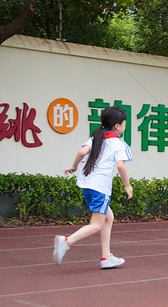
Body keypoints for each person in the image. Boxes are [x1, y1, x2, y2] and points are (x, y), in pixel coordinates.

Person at [53, 105, 133, 269]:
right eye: (124, 124)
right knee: (96, 224)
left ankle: (106, 257)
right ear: (117, 126)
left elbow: (82, 153)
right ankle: (66, 242)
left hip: (86, 184)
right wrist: (128, 186)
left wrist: (74, 166)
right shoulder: (119, 144)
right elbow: (120, 166)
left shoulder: (96, 136)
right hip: (100, 187)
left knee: (108, 218)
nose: (125, 127)